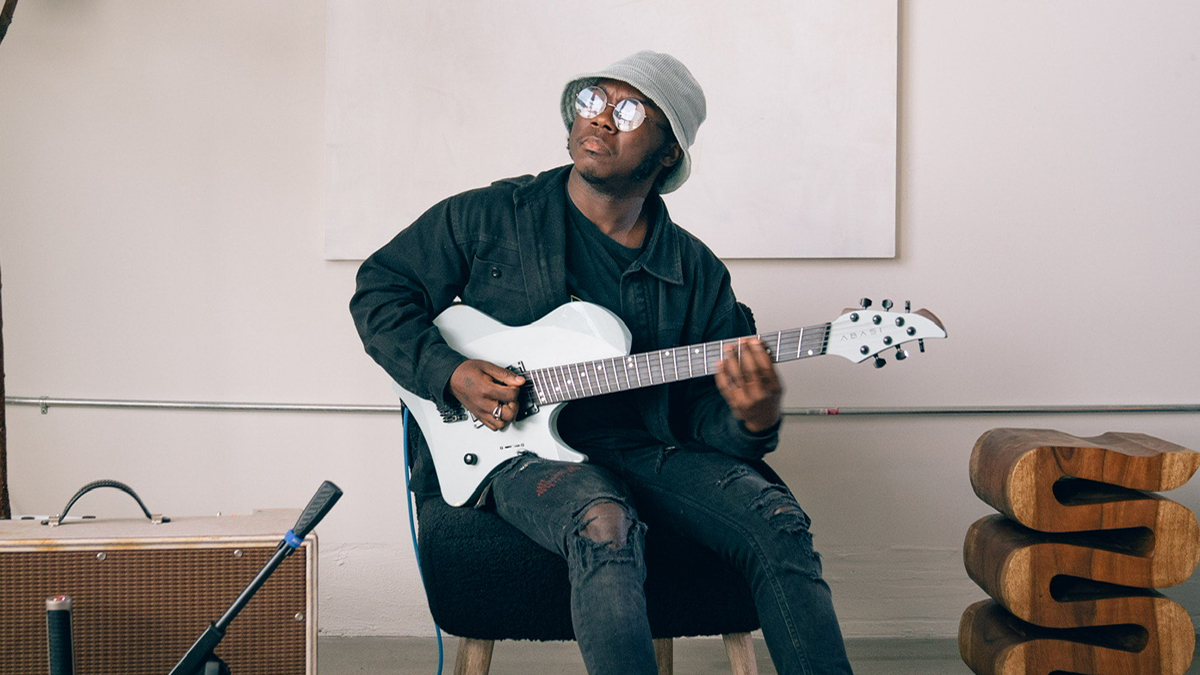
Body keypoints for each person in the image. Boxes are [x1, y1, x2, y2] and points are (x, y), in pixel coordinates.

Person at [350, 50, 852, 675]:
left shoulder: (694, 271)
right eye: (592, 101)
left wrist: (752, 418)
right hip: (517, 450)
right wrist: (450, 373)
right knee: (604, 522)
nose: (602, 120)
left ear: (668, 151)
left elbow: (704, 418)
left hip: (645, 448)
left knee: (778, 521)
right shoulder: (488, 217)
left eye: (630, 110)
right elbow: (380, 289)